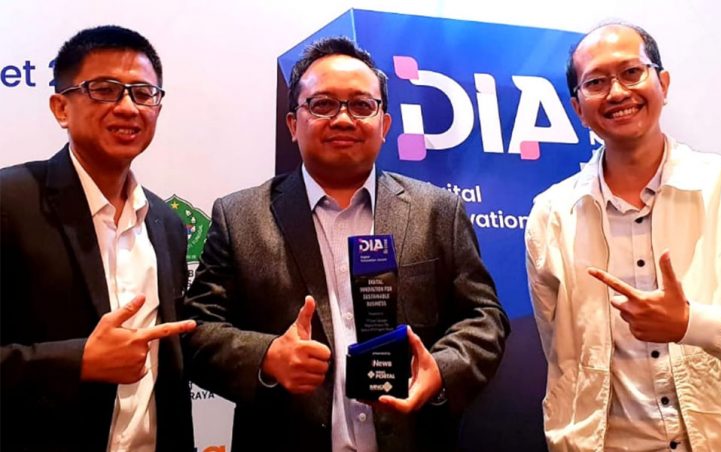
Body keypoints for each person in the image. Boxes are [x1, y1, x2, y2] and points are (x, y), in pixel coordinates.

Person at [183, 36, 509, 452]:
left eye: (361, 105)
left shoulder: (438, 211)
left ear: (384, 125)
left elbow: (484, 317)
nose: (342, 119)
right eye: (322, 104)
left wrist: (441, 370)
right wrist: (267, 356)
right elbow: (196, 331)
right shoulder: (240, 216)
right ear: (292, 124)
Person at [525, 22, 721, 451]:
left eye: (632, 72)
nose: (617, 92)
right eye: (596, 82)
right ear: (578, 108)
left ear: (663, 83)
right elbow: (562, 353)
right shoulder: (552, 215)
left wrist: (690, 323)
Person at [0, 25, 196, 452]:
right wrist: (79, 360)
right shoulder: (9, 202)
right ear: (61, 107)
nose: (128, 107)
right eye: (104, 90)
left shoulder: (166, 223)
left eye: (143, 93)